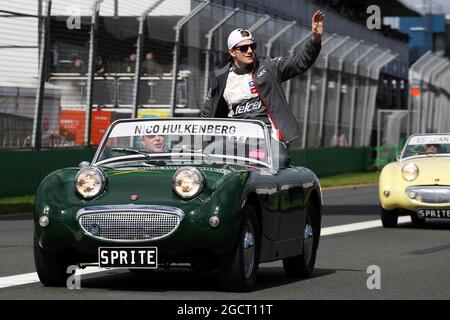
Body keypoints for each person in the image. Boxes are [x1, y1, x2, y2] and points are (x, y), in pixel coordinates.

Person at [201, 10, 324, 146]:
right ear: (232, 52)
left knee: (279, 159)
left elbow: (299, 61)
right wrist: (204, 143)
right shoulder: (220, 78)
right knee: (213, 151)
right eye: (243, 48)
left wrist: (315, 40)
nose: (249, 51)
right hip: (236, 143)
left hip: (269, 140)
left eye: (252, 46)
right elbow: (207, 114)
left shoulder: (269, 67)